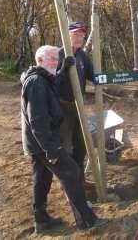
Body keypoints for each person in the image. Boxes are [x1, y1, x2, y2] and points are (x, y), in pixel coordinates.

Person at [20, 45, 107, 234]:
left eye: (56, 58)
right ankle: (86, 220)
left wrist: (62, 70)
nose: (55, 61)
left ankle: (41, 221)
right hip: (43, 142)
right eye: (50, 58)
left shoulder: (42, 78)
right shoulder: (37, 83)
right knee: (72, 172)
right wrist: (50, 150)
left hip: (37, 143)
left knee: (42, 178)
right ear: (39, 61)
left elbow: (55, 82)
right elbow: (37, 121)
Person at [55, 22, 94, 180]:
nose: (80, 38)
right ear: (67, 35)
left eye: (82, 35)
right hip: (61, 108)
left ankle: (79, 179)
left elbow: (93, 76)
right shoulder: (58, 55)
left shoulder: (82, 56)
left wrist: (117, 77)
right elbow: (50, 82)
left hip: (78, 107)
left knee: (81, 144)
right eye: (76, 35)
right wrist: (62, 70)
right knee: (65, 146)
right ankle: (68, 183)